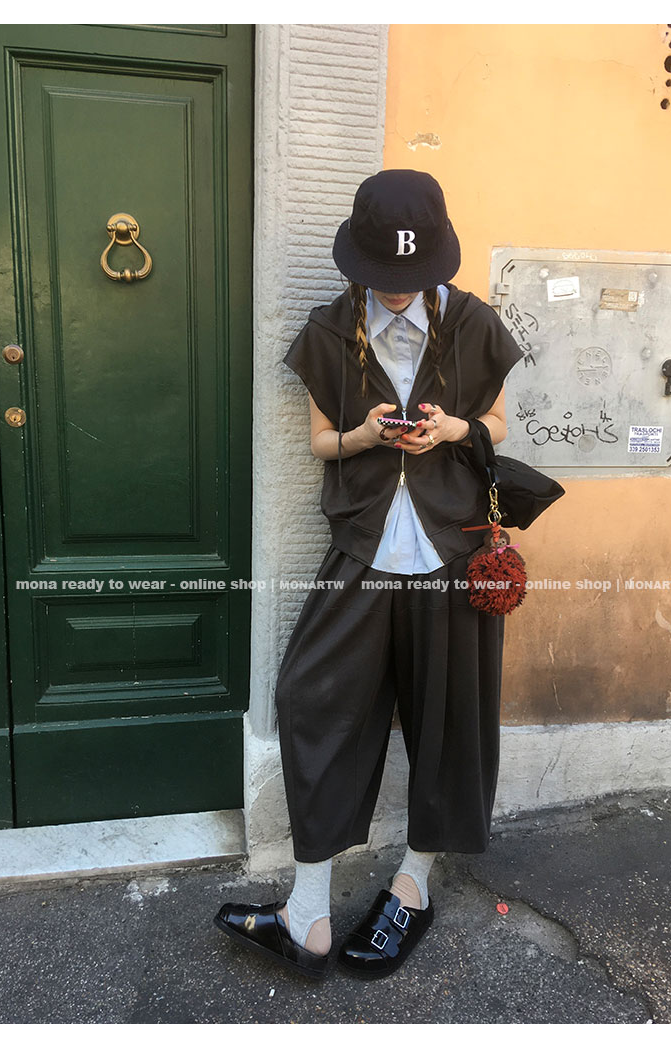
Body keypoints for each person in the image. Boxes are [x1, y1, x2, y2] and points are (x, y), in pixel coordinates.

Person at [214, 169, 524, 980]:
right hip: (364, 546)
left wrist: (453, 428)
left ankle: (413, 884)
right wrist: (365, 435)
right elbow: (323, 441)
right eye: (383, 273)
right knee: (310, 696)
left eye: (410, 275)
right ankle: (308, 912)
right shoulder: (330, 330)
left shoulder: (473, 324)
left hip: (452, 551)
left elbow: (496, 422)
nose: (396, 289)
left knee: (447, 714)